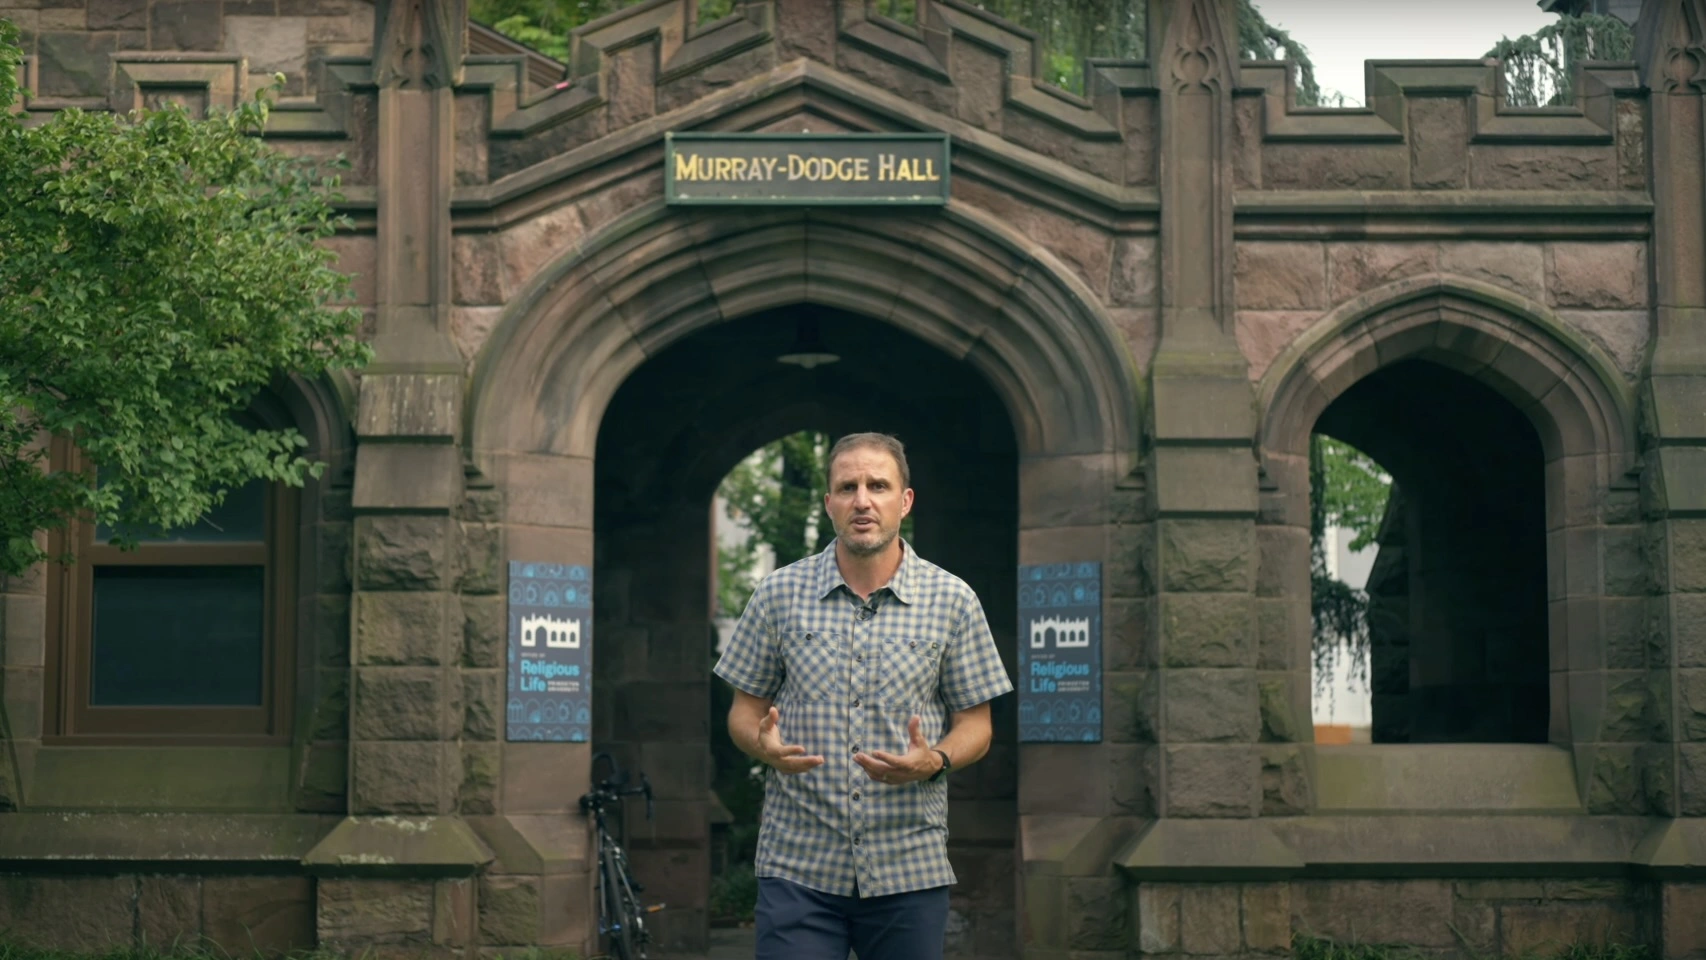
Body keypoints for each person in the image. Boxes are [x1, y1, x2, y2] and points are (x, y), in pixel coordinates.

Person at [713, 432, 1014, 960]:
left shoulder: (953, 600)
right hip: (798, 865)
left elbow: (978, 725)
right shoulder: (777, 594)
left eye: (878, 485)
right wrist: (763, 748)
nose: (863, 500)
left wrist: (935, 759)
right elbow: (745, 711)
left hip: (907, 865)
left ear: (905, 500)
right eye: (847, 487)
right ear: (828, 502)